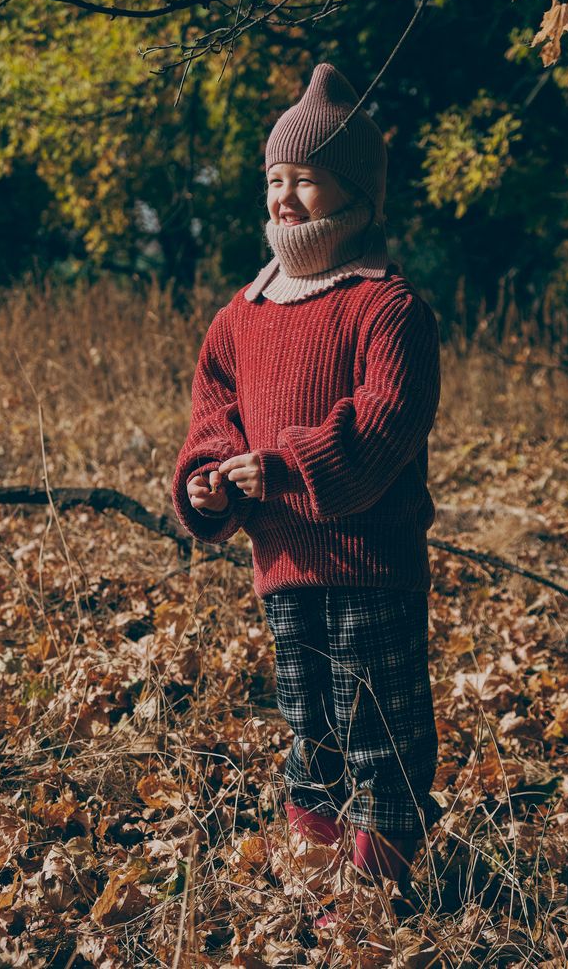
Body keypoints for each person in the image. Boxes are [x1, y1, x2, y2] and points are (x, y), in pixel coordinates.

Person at [171, 62, 442, 926]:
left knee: (380, 731)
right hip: (283, 563)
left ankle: (376, 888)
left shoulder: (385, 304)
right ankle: (316, 871)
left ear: (350, 189)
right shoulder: (241, 312)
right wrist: (209, 484)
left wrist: (286, 466)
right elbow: (213, 416)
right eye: (274, 179)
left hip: (369, 560)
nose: (284, 197)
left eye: (305, 179)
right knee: (309, 727)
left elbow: (386, 420)